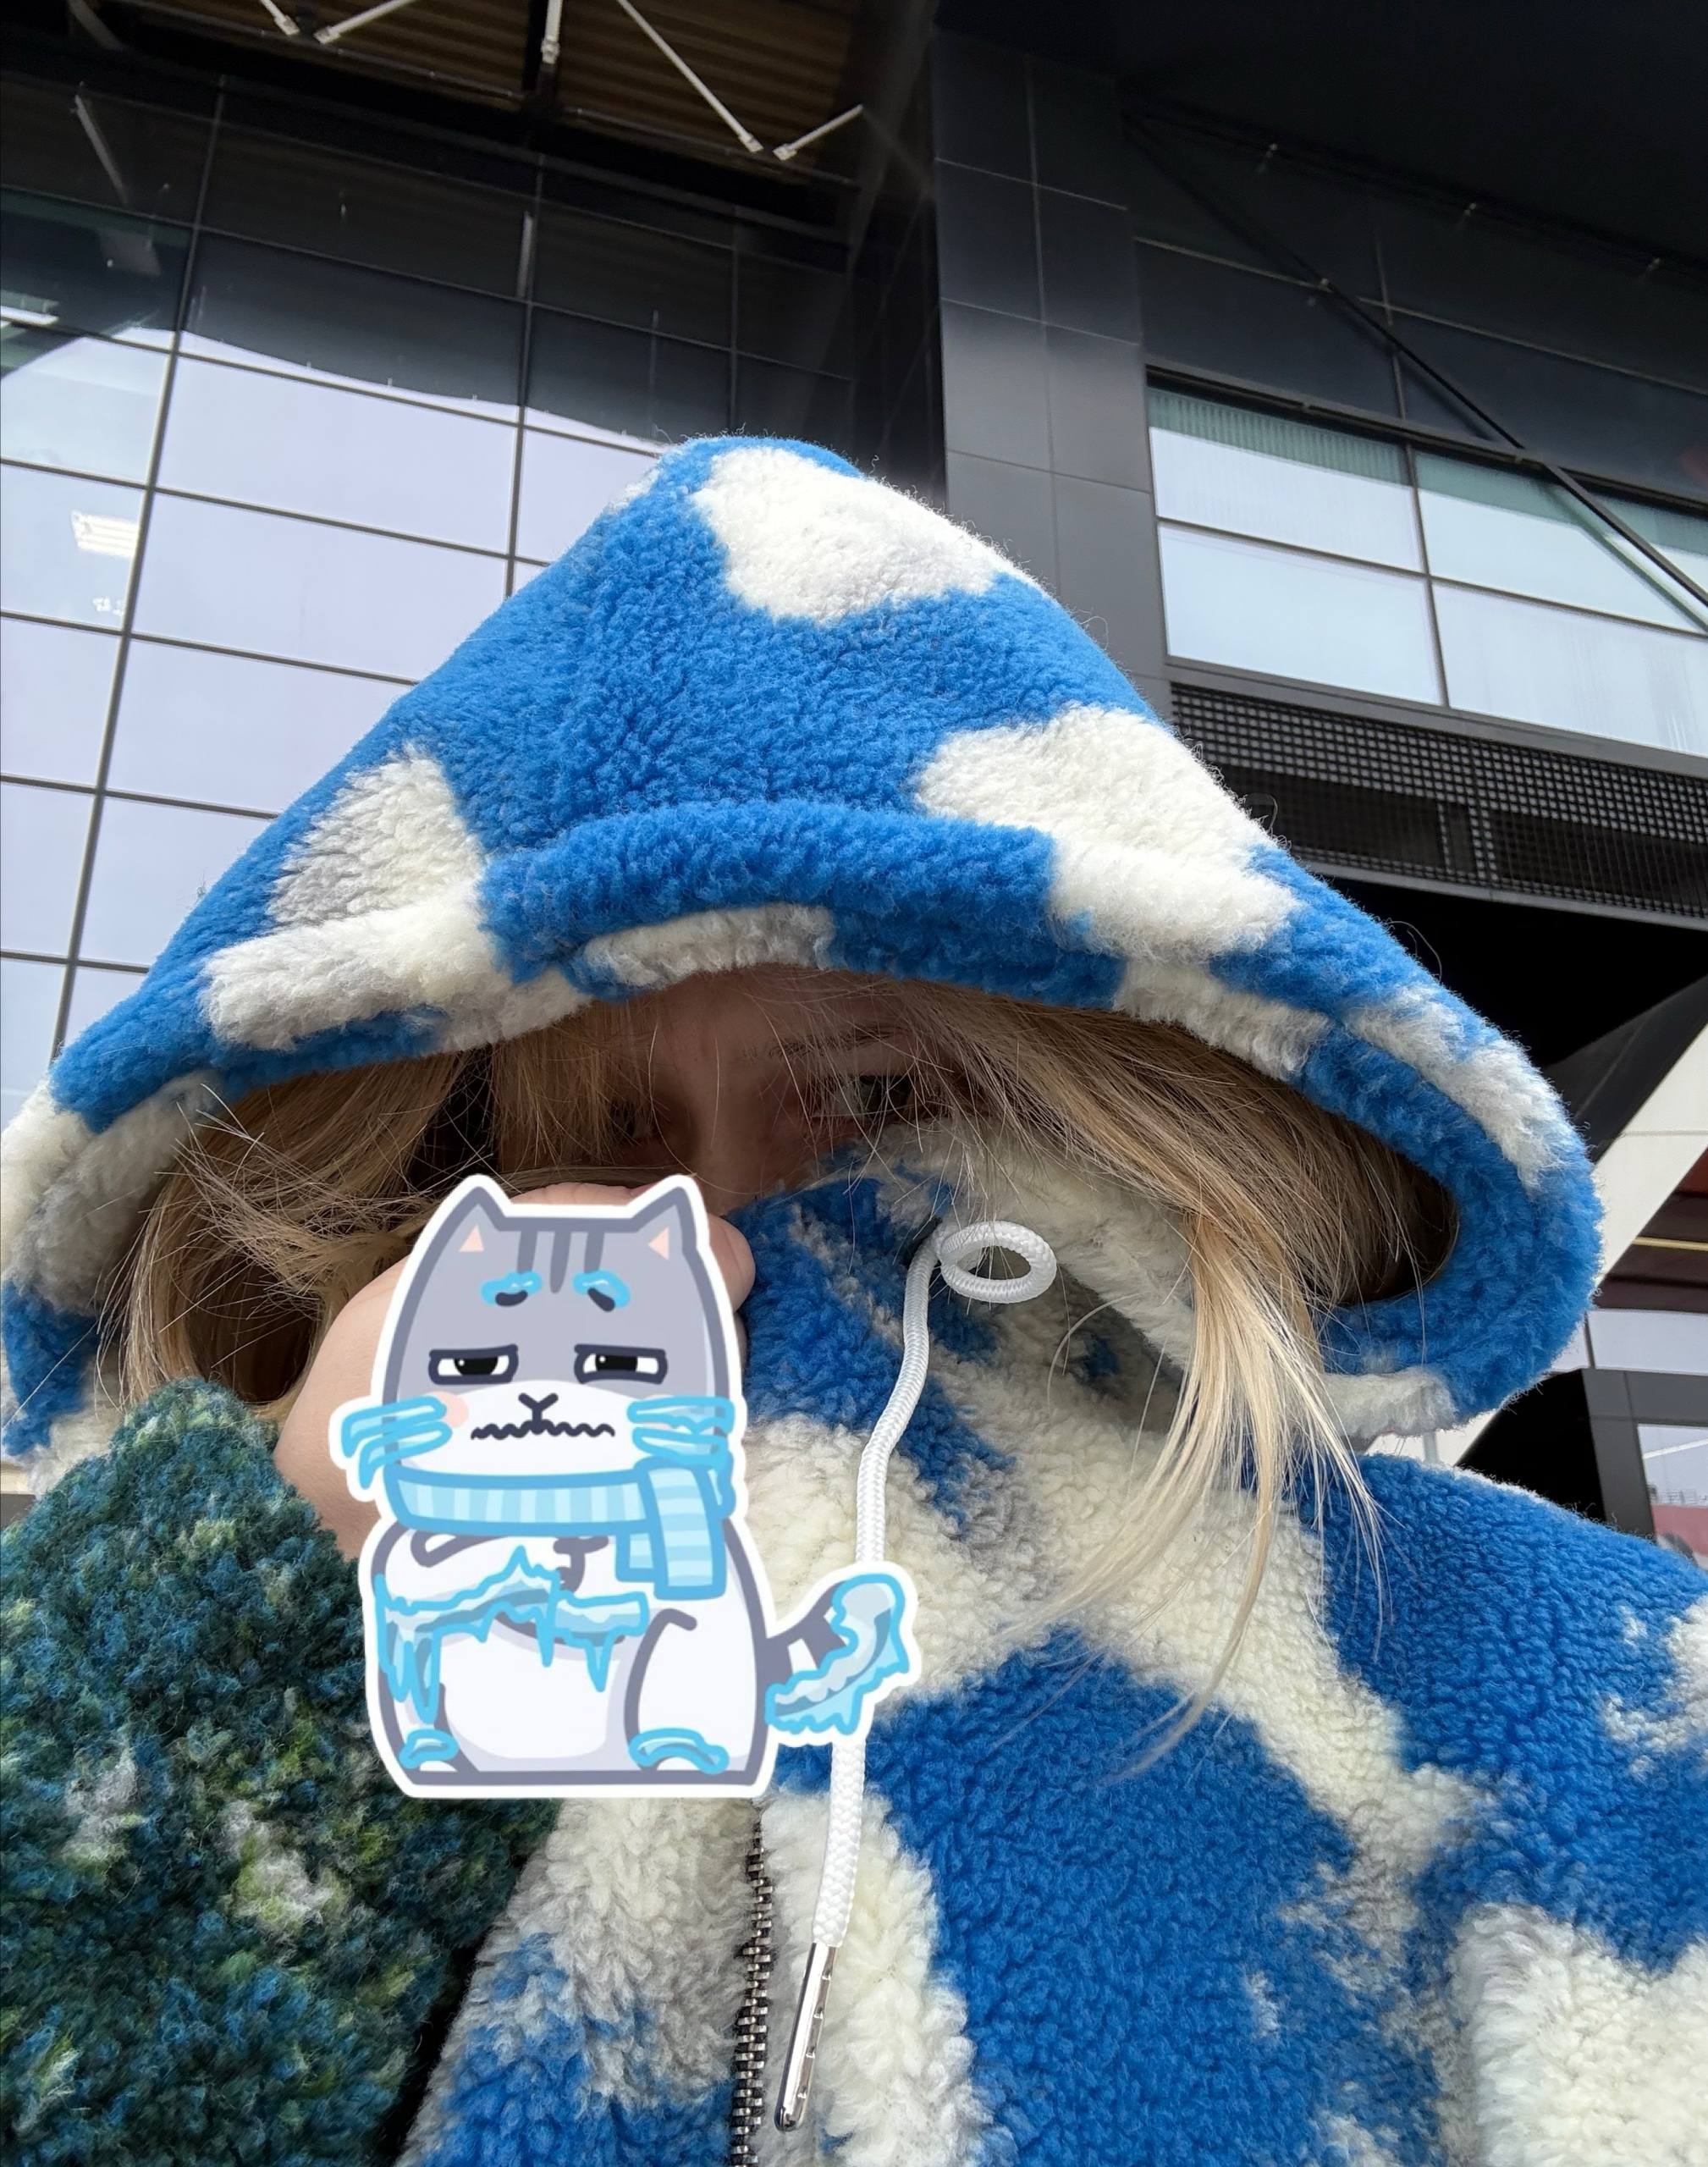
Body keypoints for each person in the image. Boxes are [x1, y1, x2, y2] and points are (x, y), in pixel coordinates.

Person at [1, 437, 1700, 2167]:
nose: (723, 1231)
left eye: (882, 1096)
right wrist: (270, 1619)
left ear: (1149, 1088)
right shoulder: (297, 1634)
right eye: (581, 1144)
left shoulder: (1582, 1688)